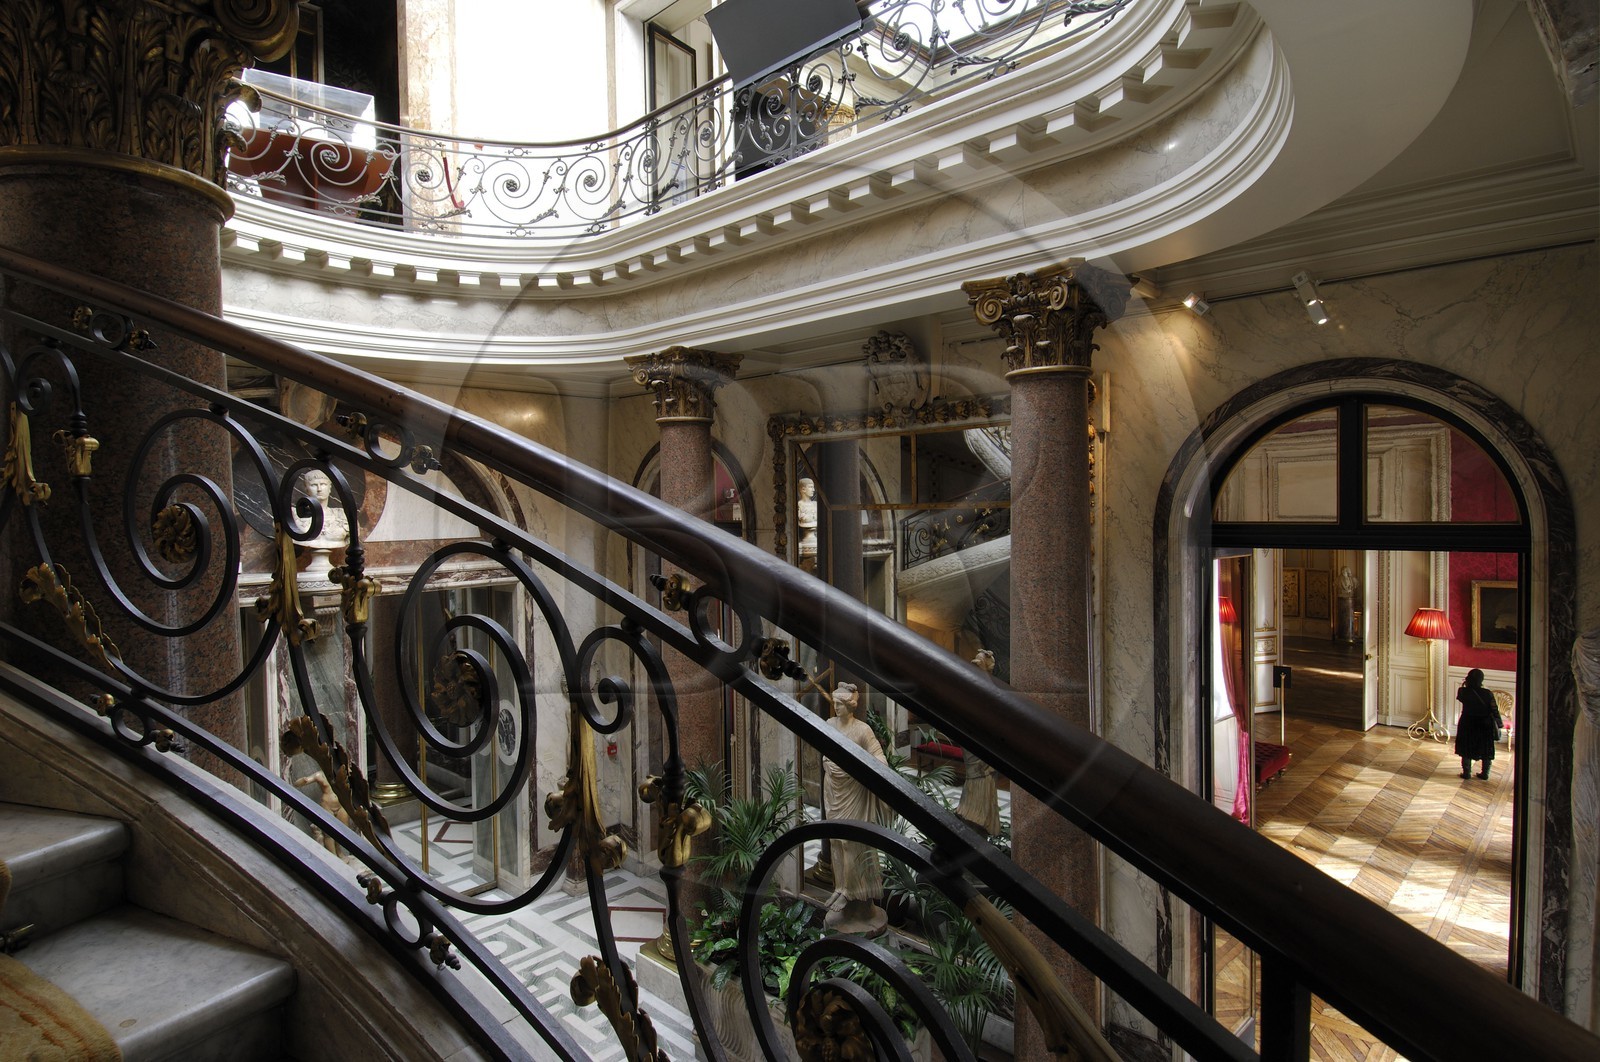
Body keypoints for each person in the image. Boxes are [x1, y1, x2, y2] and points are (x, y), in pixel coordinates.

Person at [822, 682, 886, 915]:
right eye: (835, 703)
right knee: (836, 840)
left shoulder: (862, 730)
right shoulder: (829, 724)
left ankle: (853, 891)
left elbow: (878, 755)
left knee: (851, 842)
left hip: (853, 791)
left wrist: (880, 769)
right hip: (832, 788)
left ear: (851, 706)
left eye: (840, 704)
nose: (836, 708)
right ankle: (840, 886)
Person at [1455, 667, 1503, 780]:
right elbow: (1494, 709)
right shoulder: (1487, 693)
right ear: (1482, 679)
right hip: (1484, 724)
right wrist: (1499, 724)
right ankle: (1485, 773)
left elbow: (1462, 698)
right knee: (1485, 748)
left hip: (1468, 722)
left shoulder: (1462, 691)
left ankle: (1466, 773)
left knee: (1466, 747)